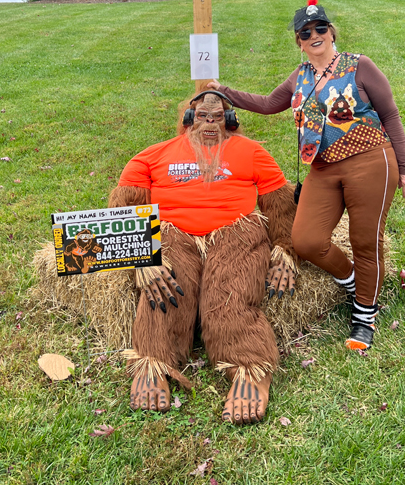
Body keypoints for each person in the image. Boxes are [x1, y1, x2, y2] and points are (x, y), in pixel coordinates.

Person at [208, 0, 405, 351]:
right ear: (299, 41)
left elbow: (391, 115)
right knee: (305, 240)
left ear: (331, 32)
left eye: (320, 28)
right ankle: (354, 281)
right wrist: (223, 91)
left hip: (370, 162)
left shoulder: (359, 65)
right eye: (306, 32)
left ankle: (365, 316)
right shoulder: (299, 77)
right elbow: (269, 104)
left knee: (367, 242)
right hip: (321, 168)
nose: (314, 35)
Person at [108, 91, 300, 424]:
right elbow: (123, 209)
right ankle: (153, 361)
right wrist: (142, 258)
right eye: (202, 116)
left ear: (230, 120)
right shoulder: (151, 157)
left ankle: (250, 369)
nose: (209, 123)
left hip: (236, 232)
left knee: (232, 294)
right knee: (164, 287)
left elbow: (280, 206)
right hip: (172, 233)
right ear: (188, 120)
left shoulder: (253, 153)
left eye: (217, 116)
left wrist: (285, 248)